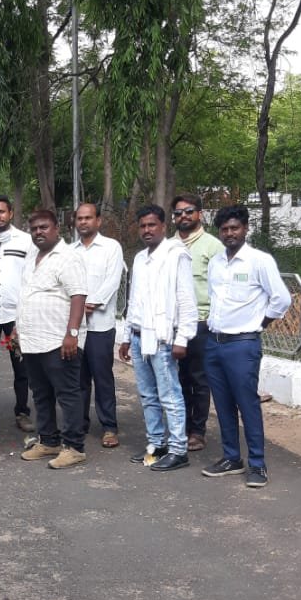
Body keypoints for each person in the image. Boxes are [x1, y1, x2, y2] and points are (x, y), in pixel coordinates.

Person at [200, 205, 292, 489]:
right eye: (225, 229)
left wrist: (259, 324)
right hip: (214, 343)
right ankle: (231, 458)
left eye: (235, 228)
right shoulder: (216, 262)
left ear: (245, 229)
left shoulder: (259, 261)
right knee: (222, 403)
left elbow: (282, 299)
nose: (230, 233)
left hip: (242, 345)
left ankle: (257, 463)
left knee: (247, 403)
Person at [118, 205, 197, 473]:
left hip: (163, 338)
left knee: (170, 395)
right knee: (147, 395)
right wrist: (126, 336)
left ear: (163, 226)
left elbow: (187, 301)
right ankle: (157, 444)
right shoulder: (140, 258)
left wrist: (182, 338)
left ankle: (178, 450)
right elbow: (134, 300)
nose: (147, 230)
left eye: (152, 225)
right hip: (139, 336)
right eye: (142, 226)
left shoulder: (176, 255)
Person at [16, 210, 90, 469]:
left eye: (44, 227)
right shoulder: (31, 257)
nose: (38, 232)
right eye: (34, 228)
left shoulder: (68, 257)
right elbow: (26, 295)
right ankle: (48, 441)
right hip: (33, 340)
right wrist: (17, 329)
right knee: (40, 393)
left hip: (59, 340)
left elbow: (78, 296)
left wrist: (72, 334)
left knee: (67, 394)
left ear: (57, 228)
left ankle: (74, 447)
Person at [172, 193, 224, 452]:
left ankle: (197, 431)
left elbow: (221, 286)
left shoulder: (213, 246)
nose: (183, 216)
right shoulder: (168, 246)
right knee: (177, 378)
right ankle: (180, 427)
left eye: (189, 211)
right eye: (178, 213)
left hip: (202, 322)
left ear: (199, 214)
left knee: (199, 379)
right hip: (173, 324)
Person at [72, 202, 126, 449]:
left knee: (102, 377)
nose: (83, 222)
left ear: (98, 221)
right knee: (78, 378)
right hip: (76, 327)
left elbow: (112, 281)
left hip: (100, 325)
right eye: (80, 218)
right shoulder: (70, 251)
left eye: (88, 218)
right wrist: (74, 310)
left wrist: (86, 304)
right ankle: (79, 424)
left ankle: (109, 426)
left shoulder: (111, 247)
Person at [0, 195, 34, 432]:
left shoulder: (25, 241)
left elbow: (31, 275)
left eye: (2, 211)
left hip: (15, 315)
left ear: (10, 213)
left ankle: (22, 412)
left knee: (21, 366)